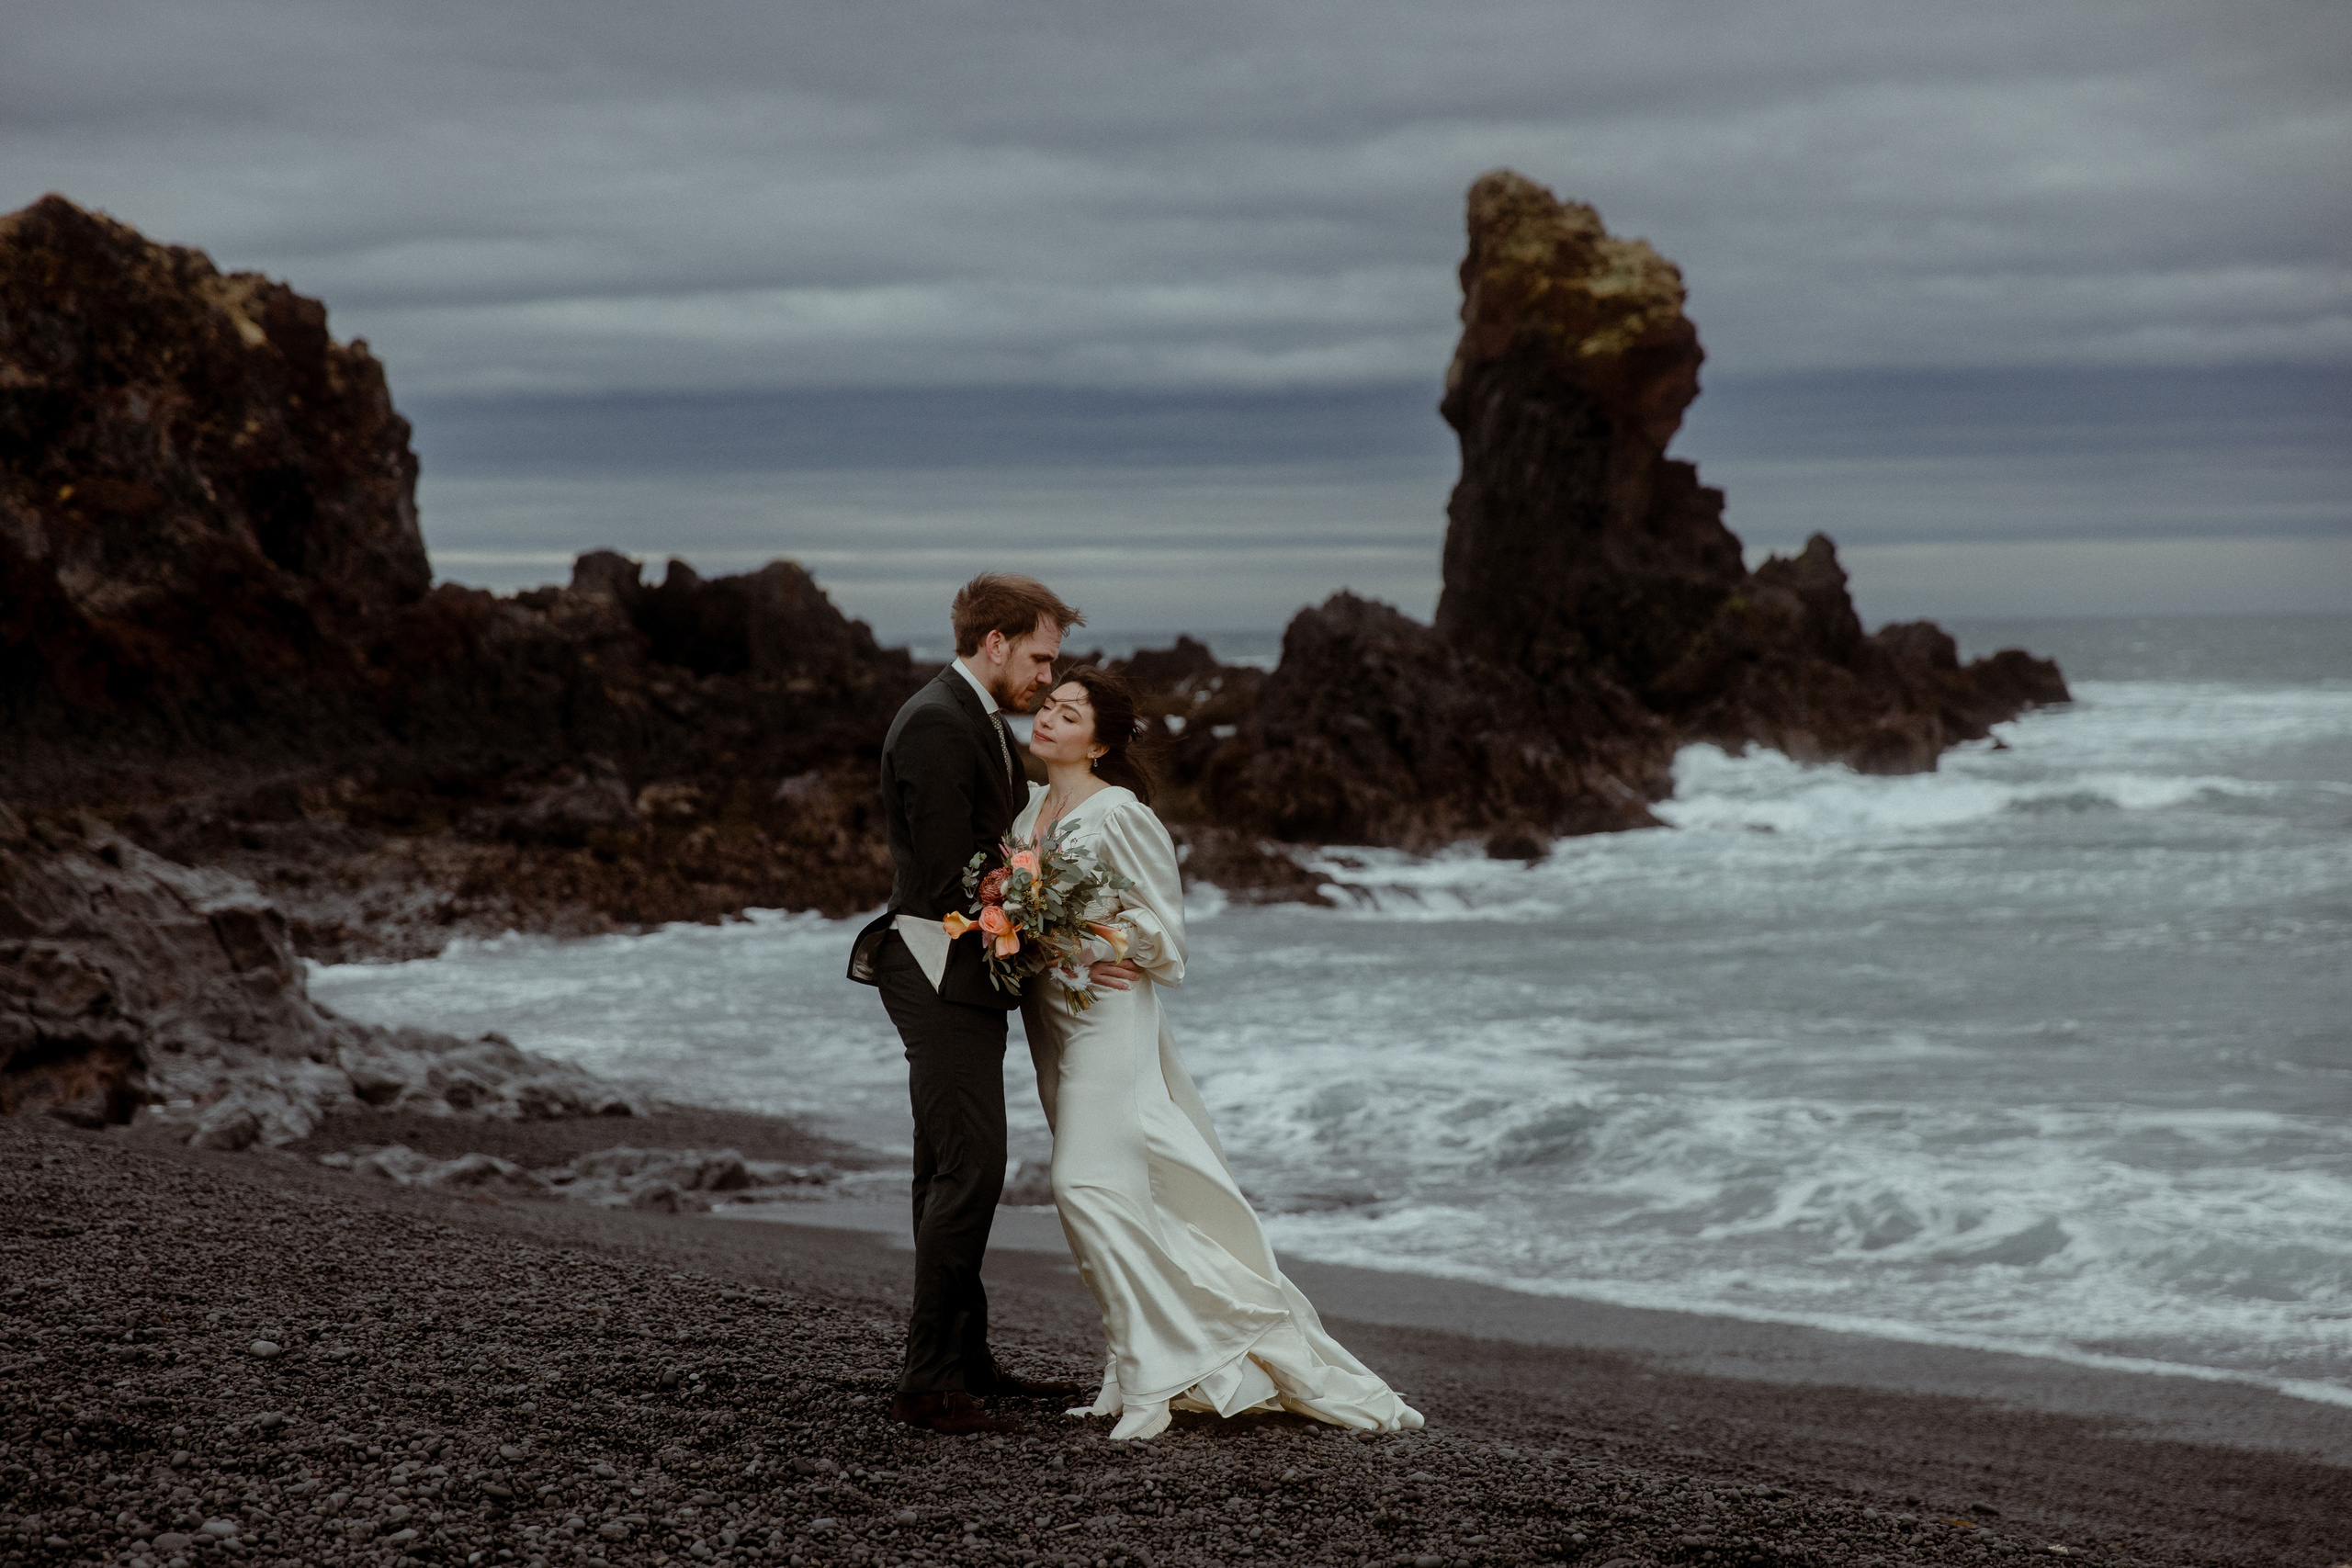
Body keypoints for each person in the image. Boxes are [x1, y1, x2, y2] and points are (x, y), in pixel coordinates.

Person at [1015, 665, 1425, 1441]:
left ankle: (1150, 1386)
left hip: (1107, 1011)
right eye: (1046, 706)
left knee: (1081, 1185)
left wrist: (1118, 943)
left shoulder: (1120, 812)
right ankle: (1123, 1368)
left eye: (1068, 714)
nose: (1048, 719)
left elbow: (1165, 924)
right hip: (1052, 1016)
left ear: (1099, 742)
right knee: (1123, 1194)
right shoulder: (1030, 807)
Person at [846, 574, 1140, 1436]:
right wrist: (1055, 930)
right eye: (1041, 658)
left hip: (958, 969)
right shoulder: (940, 721)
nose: (1048, 678)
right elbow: (953, 876)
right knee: (970, 1169)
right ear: (997, 642)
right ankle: (928, 1384)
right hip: (938, 967)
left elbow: (987, 859)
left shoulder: (968, 713)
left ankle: (962, 1358)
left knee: (945, 1166)